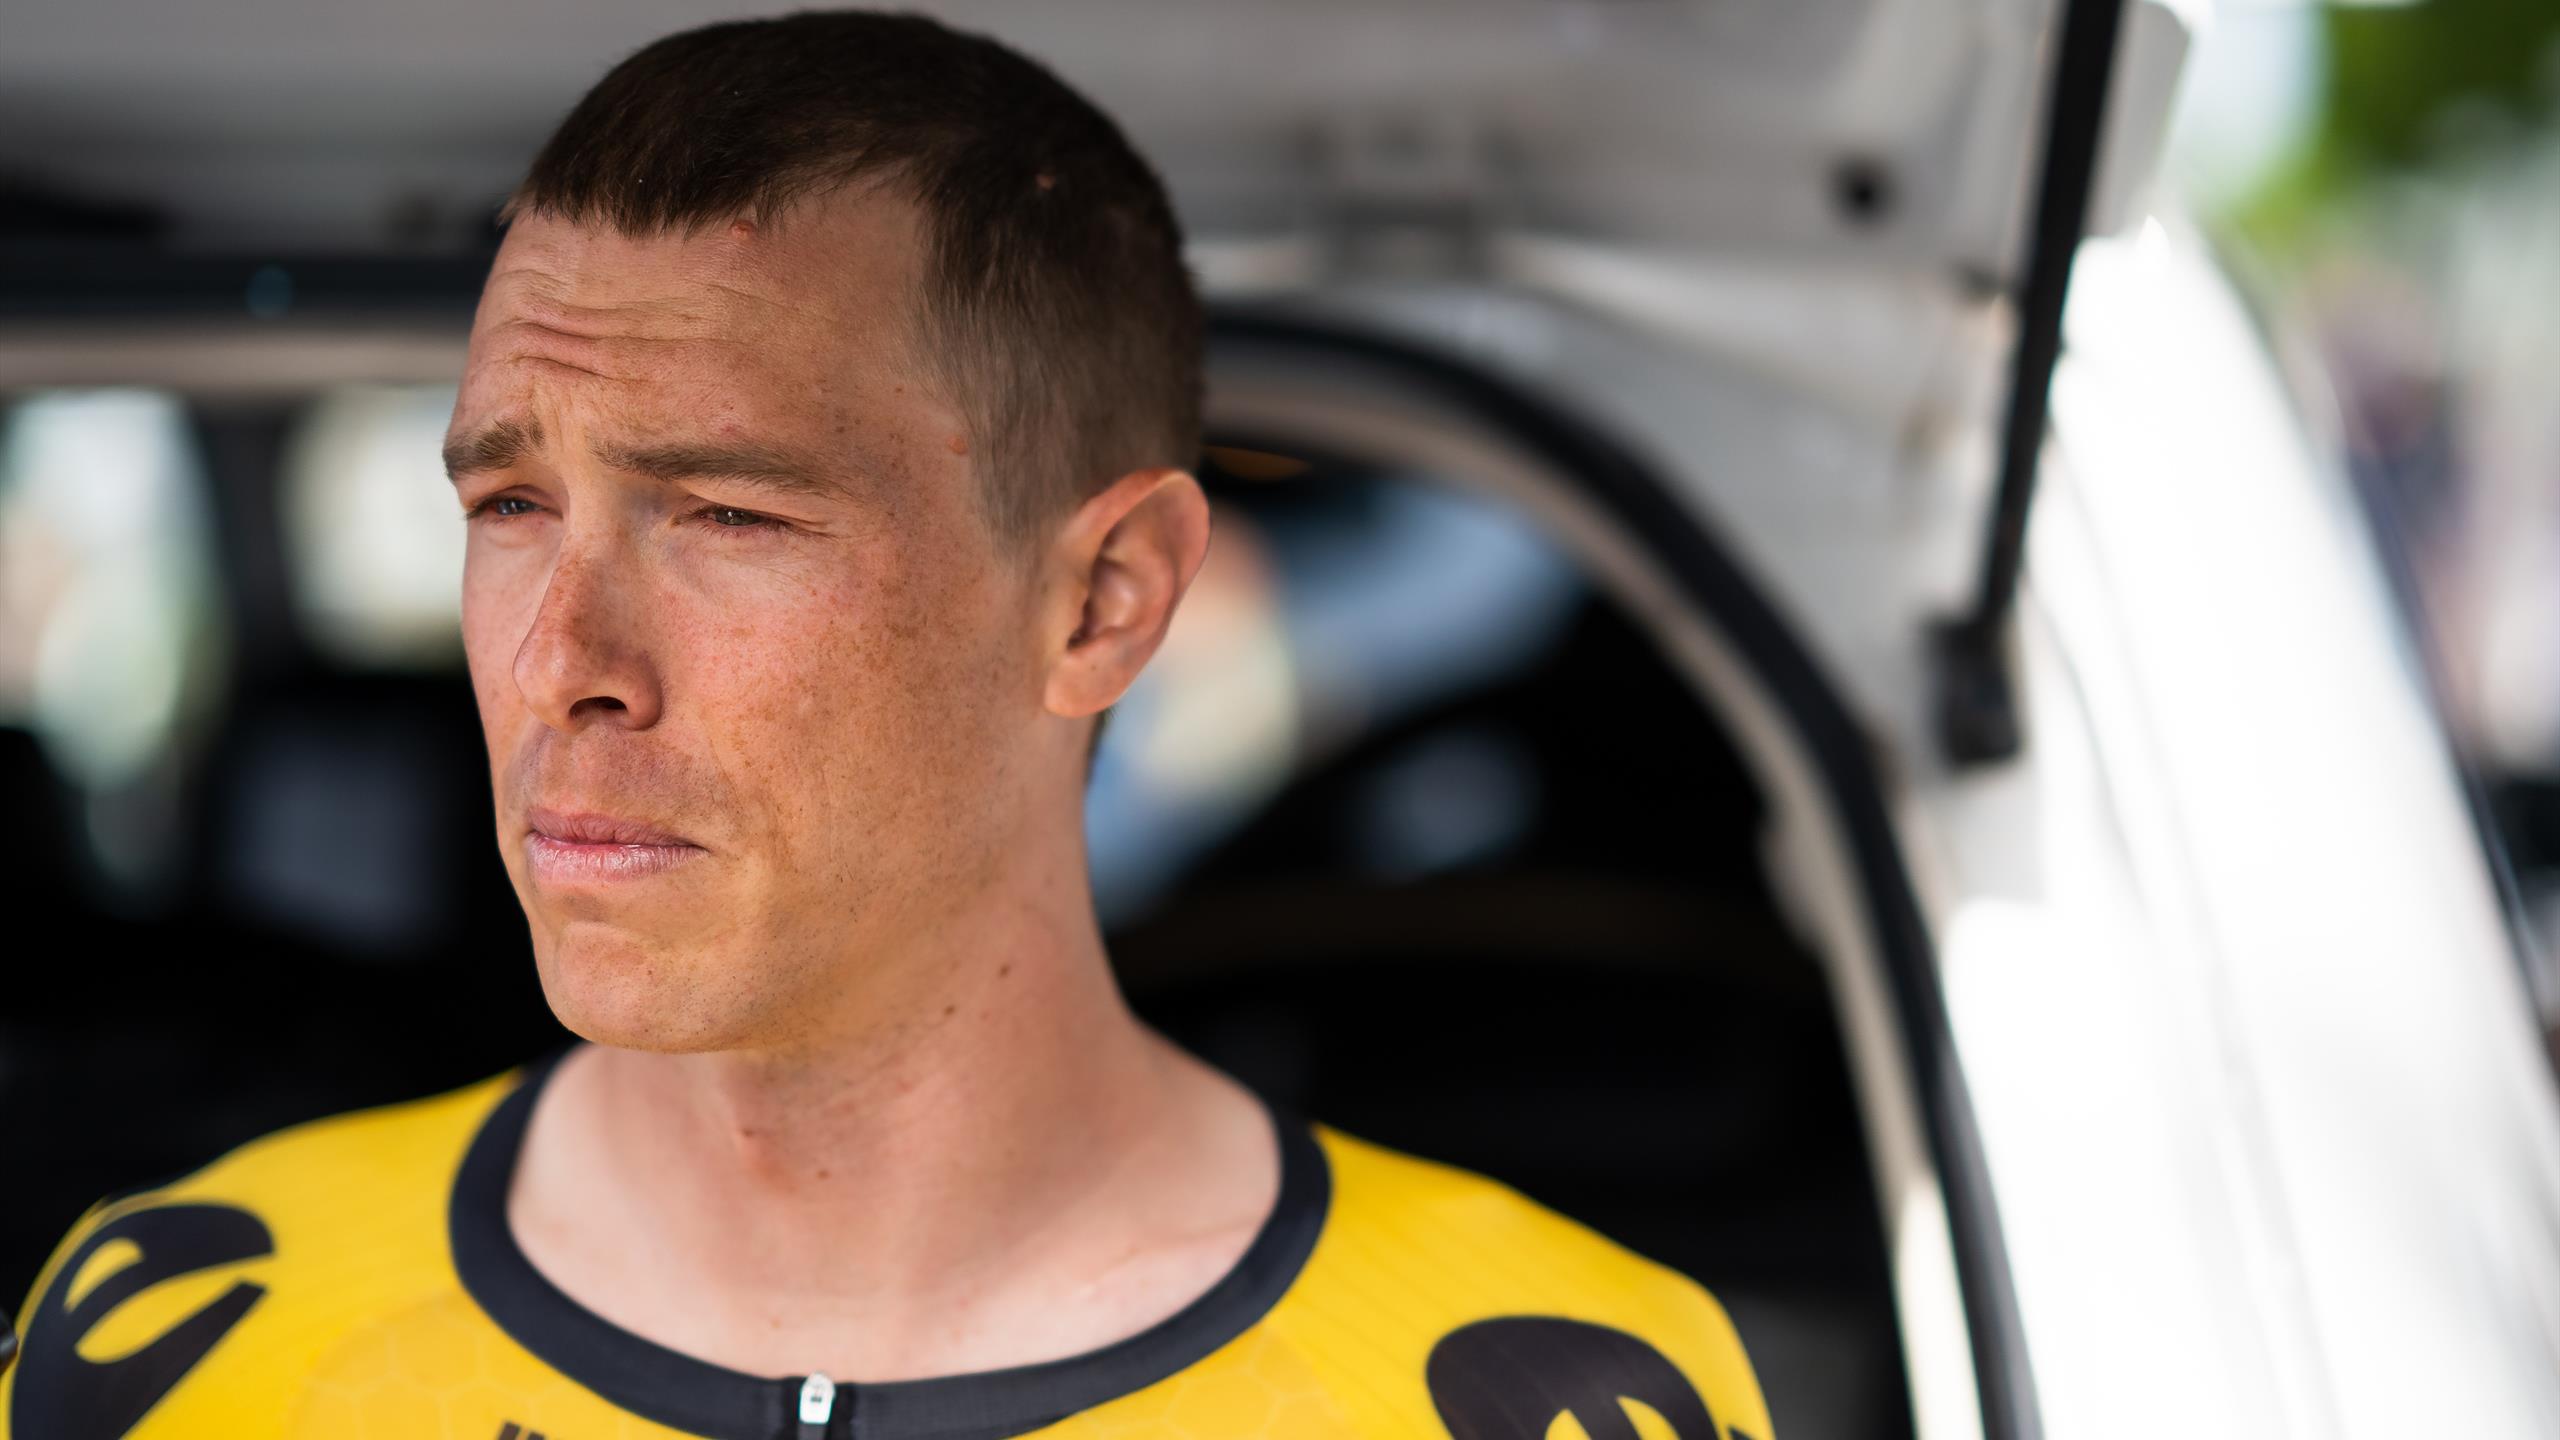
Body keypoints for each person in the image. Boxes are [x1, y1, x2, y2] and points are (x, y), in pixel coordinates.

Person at [0, 12, 1773, 1439]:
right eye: (510, 507)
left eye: (729, 515)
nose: (562, 661)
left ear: (1104, 601)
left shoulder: (1543, 1387)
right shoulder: (178, 1339)